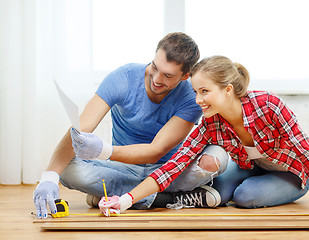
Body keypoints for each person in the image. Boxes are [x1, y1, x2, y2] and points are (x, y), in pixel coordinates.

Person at [33, 32, 228, 219]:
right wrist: (49, 177)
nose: (157, 79)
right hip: (122, 168)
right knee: (67, 169)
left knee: (217, 158)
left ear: (185, 76)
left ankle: (110, 194)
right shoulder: (122, 78)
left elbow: (155, 151)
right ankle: (168, 199)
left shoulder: (190, 95)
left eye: (168, 76)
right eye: (154, 67)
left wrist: (103, 150)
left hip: (167, 170)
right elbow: (80, 130)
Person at [98, 55, 309, 216]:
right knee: (217, 191)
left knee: (244, 197)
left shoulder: (267, 105)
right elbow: (174, 166)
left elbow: (303, 148)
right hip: (250, 168)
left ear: (227, 90)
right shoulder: (210, 123)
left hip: (291, 172)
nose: (198, 99)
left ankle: (252, 189)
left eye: (204, 91)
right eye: (195, 92)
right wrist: (125, 201)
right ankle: (159, 199)